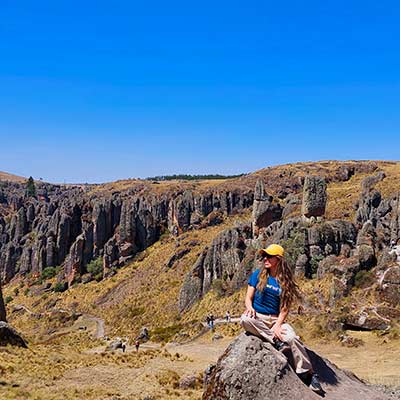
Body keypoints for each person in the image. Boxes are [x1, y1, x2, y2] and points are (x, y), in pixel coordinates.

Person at [240, 243, 323, 394]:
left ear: (278, 259)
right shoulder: (257, 275)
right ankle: (276, 341)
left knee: (292, 338)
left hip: (276, 319)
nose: (265, 259)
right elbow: (248, 297)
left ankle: (308, 374)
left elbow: (285, 309)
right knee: (245, 320)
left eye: (269, 256)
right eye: (264, 256)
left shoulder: (285, 281)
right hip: (258, 317)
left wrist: (278, 325)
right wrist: (249, 307)